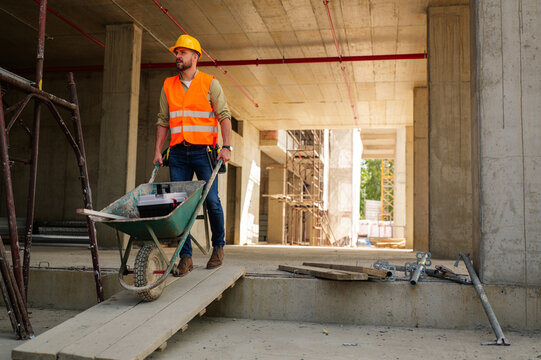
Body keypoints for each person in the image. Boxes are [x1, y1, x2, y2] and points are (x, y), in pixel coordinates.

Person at [153, 34, 232, 276]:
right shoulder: (168, 85)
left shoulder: (210, 83)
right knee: (179, 206)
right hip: (177, 153)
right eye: (176, 52)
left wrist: (227, 146)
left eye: (183, 52)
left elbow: (224, 115)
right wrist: (158, 150)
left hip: (204, 152)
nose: (177, 56)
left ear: (195, 57)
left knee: (212, 201)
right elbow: (163, 120)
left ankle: (218, 247)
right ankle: (185, 258)